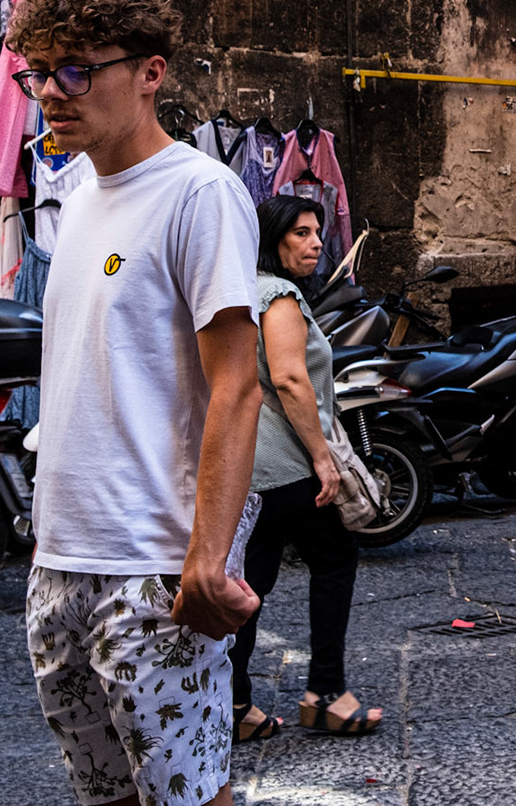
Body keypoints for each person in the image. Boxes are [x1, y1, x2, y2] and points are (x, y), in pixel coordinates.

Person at [14, 0, 262, 806]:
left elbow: (238, 386)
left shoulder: (200, 193)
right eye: (39, 72)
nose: (52, 92)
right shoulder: (79, 198)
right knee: (107, 796)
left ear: (151, 72)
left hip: (151, 564)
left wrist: (207, 558)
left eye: (77, 70)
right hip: (61, 560)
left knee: (185, 796)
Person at [227, 195, 382, 740]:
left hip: (248, 463)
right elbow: (290, 380)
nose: (316, 243)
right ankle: (326, 694)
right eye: (301, 233)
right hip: (286, 463)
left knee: (250, 584)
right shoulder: (279, 296)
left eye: (317, 232)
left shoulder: (238, 290)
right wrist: (322, 457)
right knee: (336, 557)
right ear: (274, 240)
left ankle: (234, 705)